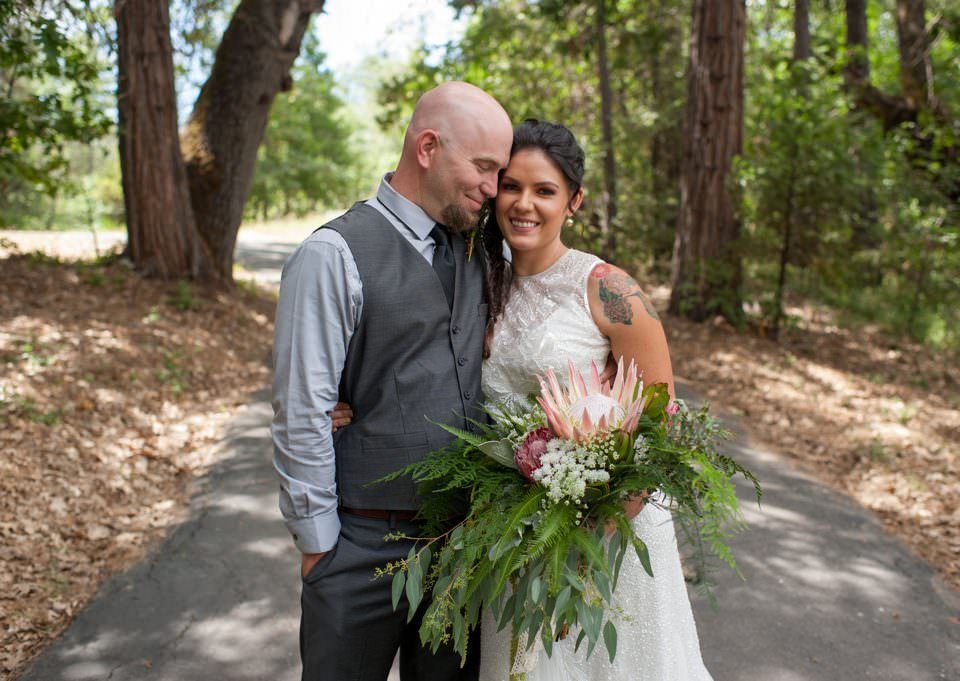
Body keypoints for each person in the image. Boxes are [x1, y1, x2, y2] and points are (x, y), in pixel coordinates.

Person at [333, 119, 714, 680]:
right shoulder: (476, 278)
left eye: (544, 191)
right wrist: (347, 404)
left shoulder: (609, 289)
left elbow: (660, 428)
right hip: (510, 535)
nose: (523, 204)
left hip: (600, 536)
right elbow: (419, 362)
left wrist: (587, 547)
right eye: (511, 186)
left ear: (574, 201)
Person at [271, 81, 513, 681]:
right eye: (483, 168)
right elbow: (302, 407)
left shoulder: (483, 249)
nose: (493, 189)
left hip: (460, 547)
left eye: (499, 172)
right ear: (428, 147)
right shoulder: (333, 253)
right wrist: (319, 547)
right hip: (358, 546)